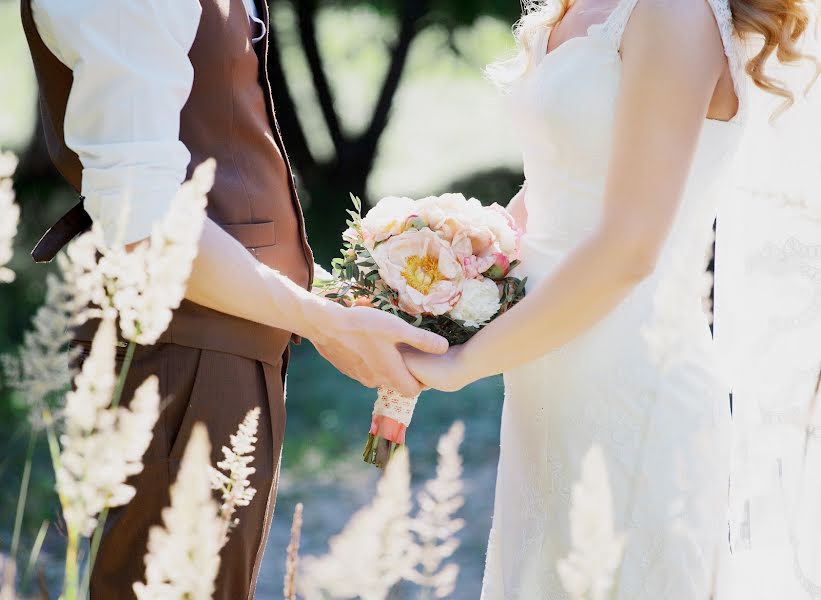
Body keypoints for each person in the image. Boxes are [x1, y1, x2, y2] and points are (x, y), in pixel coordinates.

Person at [20, 0, 447, 597]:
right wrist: (322, 320)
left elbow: (218, 160)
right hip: (177, 357)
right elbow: (146, 219)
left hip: (217, 346)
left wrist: (332, 309)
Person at [405, 0, 817, 597]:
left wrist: (464, 362)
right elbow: (562, 177)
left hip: (630, 380)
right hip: (543, 370)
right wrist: (448, 265)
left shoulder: (674, 14)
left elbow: (630, 247)